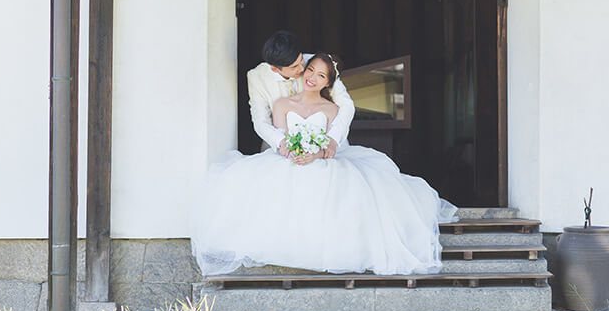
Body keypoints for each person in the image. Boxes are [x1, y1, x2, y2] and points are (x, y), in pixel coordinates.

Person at [191, 52, 458, 276]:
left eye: (321, 75)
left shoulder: (332, 108)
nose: (312, 77)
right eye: (311, 71)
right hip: (287, 156)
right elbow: (271, 128)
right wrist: (292, 150)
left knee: (338, 188)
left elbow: (336, 134)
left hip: (323, 157)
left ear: (328, 83)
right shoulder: (281, 102)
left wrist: (318, 152)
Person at [247, 30, 354, 158]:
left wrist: (332, 139)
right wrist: (282, 143)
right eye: (294, 67)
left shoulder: (316, 64)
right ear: (275, 69)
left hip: (326, 148)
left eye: (301, 61)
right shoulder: (257, 77)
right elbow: (260, 121)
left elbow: (346, 105)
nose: (302, 69)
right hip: (280, 150)